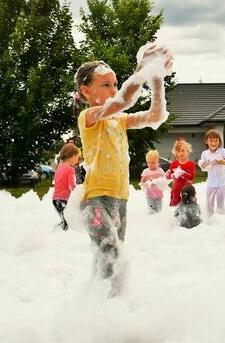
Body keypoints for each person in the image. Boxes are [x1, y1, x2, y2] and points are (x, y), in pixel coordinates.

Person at [74, 43, 172, 296]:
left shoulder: (119, 119)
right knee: (112, 256)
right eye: (106, 84)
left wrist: (157, 79)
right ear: (86, 91)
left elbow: (156, 116)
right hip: (94, 200)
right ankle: (104, 313)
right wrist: (143, 69)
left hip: (120, 201)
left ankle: (99, 310)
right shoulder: (90, 117)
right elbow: (124, 101)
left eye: (115, 84)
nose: (113, 89)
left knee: (108, 262)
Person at [198, 129, 225, 217]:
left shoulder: (223, 151)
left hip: (222, 181)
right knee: (209, 202)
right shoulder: (205, 153)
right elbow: (202, 166)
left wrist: (222, 162)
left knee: (220, 202)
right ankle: (210, 220)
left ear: (219, 141)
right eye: (211, 140)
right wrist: (204, 165)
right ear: (206, 141)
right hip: (211, 182)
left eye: (216, 140)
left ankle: (220, 220)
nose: (213, 143)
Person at [52, 143, 81, 231]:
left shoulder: (59, 168)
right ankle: (61, 239)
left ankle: (55, 233)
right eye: (77, 157)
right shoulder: (70, 169)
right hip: (64, 199)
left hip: (55, 199)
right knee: (68, 224)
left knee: (64, 221)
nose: (77, 159)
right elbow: (72, 186)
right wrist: (80, 194)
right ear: (72, 156)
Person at [165, 139, 195, 207]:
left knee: (187, 206)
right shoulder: (174, 164)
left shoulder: (191, 164)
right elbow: (167, 175)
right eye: (178, 151)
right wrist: (173, 175)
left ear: (187, 151)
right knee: (176, 207)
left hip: (187, 189)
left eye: (183, 150)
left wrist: (182, 173)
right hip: (176, 189)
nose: (181, 153)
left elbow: (192, 177)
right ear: (176, 153)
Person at [140, 149, 166, 214]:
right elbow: (142, 182)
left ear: (157, 162)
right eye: (148, 162)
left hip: (158, 195)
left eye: (153, 162)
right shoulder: (145, 171)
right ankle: (151, 221)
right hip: (149, 195)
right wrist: (144, 183)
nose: (150, 164)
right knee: (152, 211)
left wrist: (159, 182)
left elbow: (165, 180)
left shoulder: (160, 171)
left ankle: (158, 222)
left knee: (159, 211)